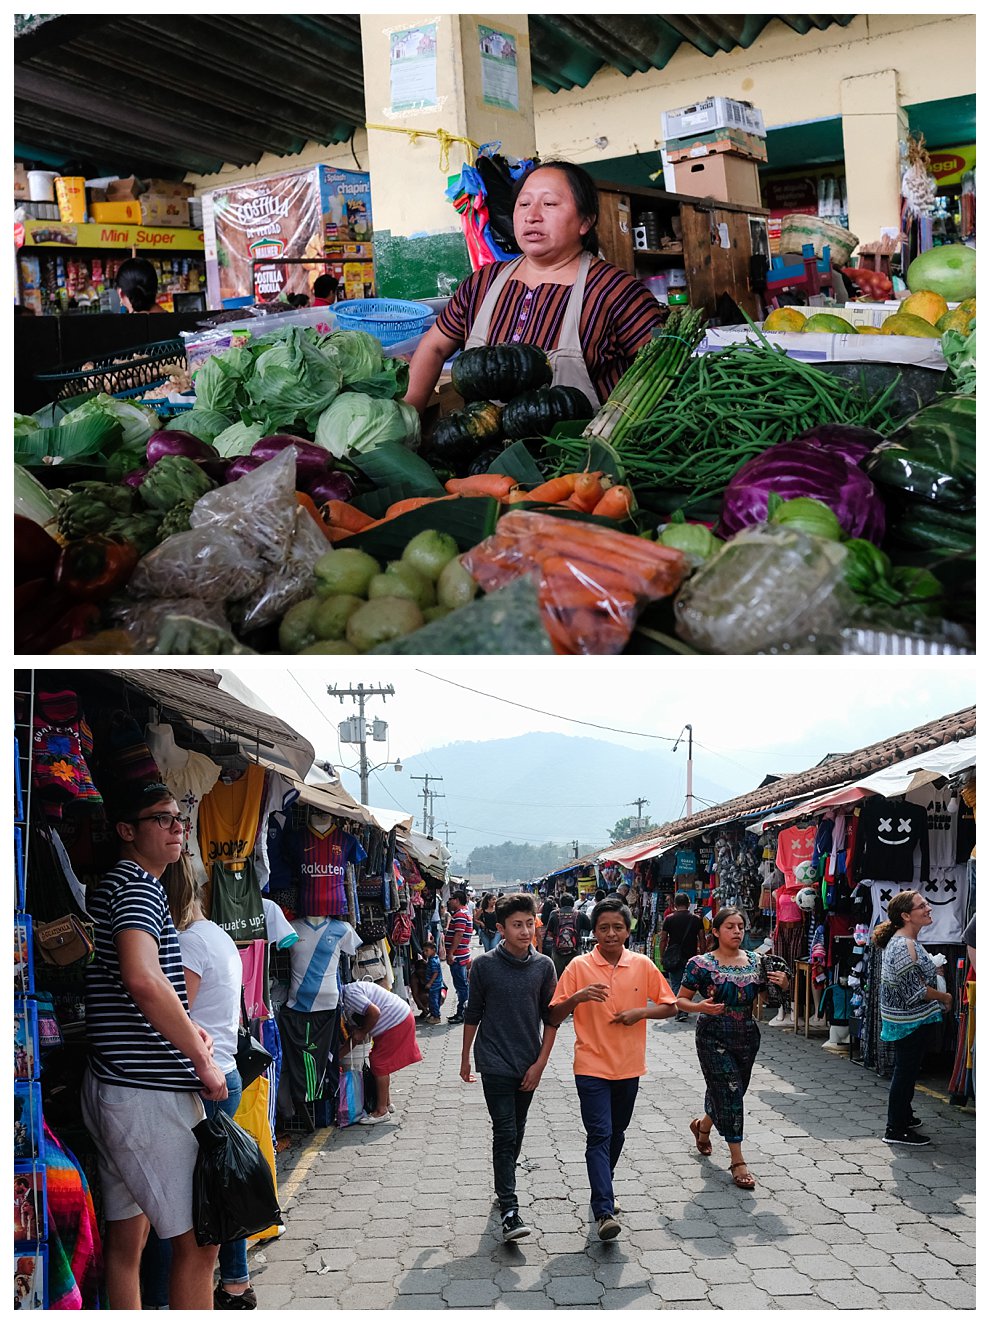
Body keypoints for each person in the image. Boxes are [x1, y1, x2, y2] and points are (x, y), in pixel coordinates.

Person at [81, 782, 227, 1310]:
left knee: (128, 1244)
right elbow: (143, 979)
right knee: (201, 1242)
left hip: (113, 1083)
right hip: (145, 1092)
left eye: (179, 820)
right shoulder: (139, 887)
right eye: (161, 819)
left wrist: (188, 1026)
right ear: (126, 830)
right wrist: (200, 1056)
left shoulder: (115, 886)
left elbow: (141, 988)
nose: (176, 828)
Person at [404, 160, 665, 414]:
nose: (532, 216)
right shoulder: (482, 283)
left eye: (549, 204)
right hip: (484, 454)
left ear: (585, 221)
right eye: (524, 204)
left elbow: (660, 377)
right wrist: (407, 423)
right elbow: (434, 347)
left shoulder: (617, 291)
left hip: (578, 453)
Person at [548, 897, 678, 1240]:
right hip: (590, 1064)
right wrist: (577, 998)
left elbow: (671, 1006)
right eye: (604, 927)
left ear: (627, 929)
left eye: (617, 927)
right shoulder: (578, 966)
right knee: (600, 1134)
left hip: (629, 1065)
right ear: (594, 931)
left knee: (616, 1133)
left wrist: (641, 1013)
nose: (610, 934)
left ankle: (602, 1188)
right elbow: (553, 1015)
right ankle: (604, 1209)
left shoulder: (642, 964)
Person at [164, 857, 256, 1309]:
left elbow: (177, 1015)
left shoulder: (189, 944)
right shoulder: (216, 935)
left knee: (207, 1193)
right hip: (224, 1070)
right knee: (222, 1185)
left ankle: (224, 1284)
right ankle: (235, 1283)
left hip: (206, 1079)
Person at [460, 893, 558, 1243]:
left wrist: (541, 1064)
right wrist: (464, 1057)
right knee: (504, 1132)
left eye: (529, 923)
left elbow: (551, 1018)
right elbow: (473, 1013)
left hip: (528, 1061)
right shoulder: (484, 965)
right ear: (499, 928)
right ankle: (511, 1210)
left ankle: (503, 1187)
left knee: (516, 1129)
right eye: (517, 924)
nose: (525, 930)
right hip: (494, 1061)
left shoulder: (544, 966)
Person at [677, 906, 788, 1190]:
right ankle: (737, 1160)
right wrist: (700, 1006)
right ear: (715, 931)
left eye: (740, 926)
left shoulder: (756, 961)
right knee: (730, 1093)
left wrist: (783, 984)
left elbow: (768, 997)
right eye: (730, 926)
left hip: (747, 1034)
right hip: (713, 1034)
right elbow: (680, 1001)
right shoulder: (700, 964)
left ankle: (702, 1127)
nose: (737, 931)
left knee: (731, 1089)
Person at [872, 890, 954, 1147]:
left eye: (927, 903)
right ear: (906, 916)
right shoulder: (903, 946)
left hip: (910, 1020)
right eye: (922, 906)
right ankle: (895, 1128)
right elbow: (914, 993)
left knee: (907, 1070)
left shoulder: (906, 943)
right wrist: (945, 997)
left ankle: (903, 1116)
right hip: (908, 1021)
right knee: (905, 1072)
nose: (928, 908)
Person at [339, 979, 423, 1123]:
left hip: (396, 1021)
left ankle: (381, 1111)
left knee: (379, 1063)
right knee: (380, 1061)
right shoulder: (346, 1001)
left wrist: (363, 1031)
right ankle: (386, 1103)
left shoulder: (350, 995)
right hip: (397, 1019)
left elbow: (374, 1013)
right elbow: (355, 1037)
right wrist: (337, 1057)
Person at [660, 893, 706, 1021]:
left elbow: (663, 939)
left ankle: (680, 1009)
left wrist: (662, 956)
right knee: (689, 984)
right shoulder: (696, 919)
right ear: (688, 903)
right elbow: (702, 939)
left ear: (674, 904)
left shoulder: (669, 919)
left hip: (674, 957)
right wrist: (702, 956)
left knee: (676, 983)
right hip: (690, 957)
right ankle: (683, 1009)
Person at [444, 890, 474, 1025]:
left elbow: (459, 935)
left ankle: (462, 1013)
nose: (449, 901)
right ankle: (463, 1011)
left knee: (461, 986)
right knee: (463, 985)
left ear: (456, 900)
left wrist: (451, 953)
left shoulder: (460, 915)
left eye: (451, 899)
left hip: (458, 956)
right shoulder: (463, 914)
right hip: (462, 954)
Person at [542, 893, 591, 976]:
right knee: (575, 975)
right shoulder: (579, 914)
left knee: (558, 976)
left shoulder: (554, 914)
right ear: (573, 903)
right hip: (575, 950)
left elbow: (549, 932)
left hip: (558, 951)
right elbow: (589, 927)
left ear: (560, 903)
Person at [421, 940, 443, 1024]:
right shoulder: (433, 958)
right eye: (424, 950)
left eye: (427, 950)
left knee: (433, 1000)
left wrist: (430, 983)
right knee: (434, 1000)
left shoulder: (433, 960)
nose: (425, 952)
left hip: (434, 985)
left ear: (433, 950)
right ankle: (433, 1014)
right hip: (436, 984)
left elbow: (435, 972)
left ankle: (436, 1016)